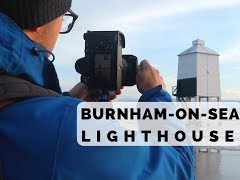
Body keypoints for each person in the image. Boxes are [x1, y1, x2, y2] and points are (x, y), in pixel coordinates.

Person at [0, 0, 195, 179]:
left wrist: (60, 102)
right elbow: (179, 169)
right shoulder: (67, 127)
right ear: (39, 19)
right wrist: (156, 95)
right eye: (64, 16)